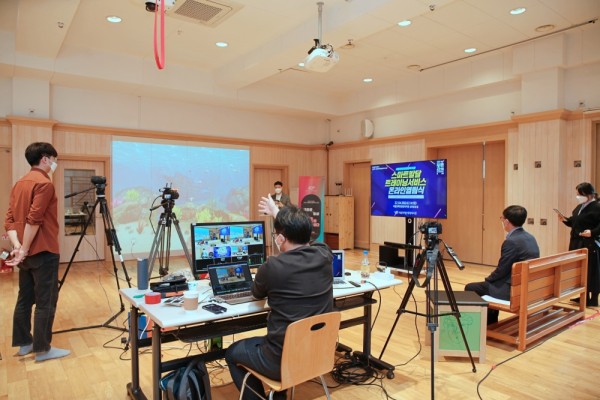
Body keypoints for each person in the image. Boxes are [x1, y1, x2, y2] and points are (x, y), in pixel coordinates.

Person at [225, 196, 333, 400]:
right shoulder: (324, 255)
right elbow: (309, 242)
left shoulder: (272, 267)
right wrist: (279, 215)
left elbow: (256, 293)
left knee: (232, 352)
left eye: (277, 235)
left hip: (280, 361)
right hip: (316, 355)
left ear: (281, 238)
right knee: (279, 341)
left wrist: (279, 217)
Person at [4, 142, 70, 362]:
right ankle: (42, 349)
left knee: (25, 298)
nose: (54, 163)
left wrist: (18, 247)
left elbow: (9, 220)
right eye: (53, 159)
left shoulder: (19, 183)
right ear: (44, 159)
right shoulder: (44, 183)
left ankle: (25, 343)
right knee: (45, 301)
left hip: (25, 252)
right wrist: (23, 248)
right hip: (43, 250)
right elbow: (34, 220)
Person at [465, 205, 540, 324]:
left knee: (471, 288)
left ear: (507, 221)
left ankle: (485, 325)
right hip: (527, 285)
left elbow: (502, 270)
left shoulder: (511, 242)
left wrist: (488, 279)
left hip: (514, 290)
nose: (502, 221)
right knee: (489, 285)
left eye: (502, 218)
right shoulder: (530, 237)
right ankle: (491, 323)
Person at [558, 182, 600, 307]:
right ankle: (583, 295)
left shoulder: (597, 206)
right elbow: (575, 222)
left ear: (589, 194)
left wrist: (592, 232)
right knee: (579, 270)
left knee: (591, 270)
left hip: (589, 243)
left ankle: (593, 298)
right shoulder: (580, 206)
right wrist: (565, 220)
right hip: (576, 242)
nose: (578, 197)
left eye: (580, 194)